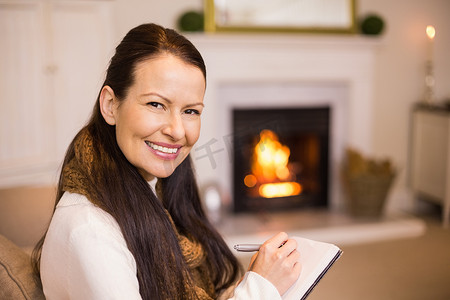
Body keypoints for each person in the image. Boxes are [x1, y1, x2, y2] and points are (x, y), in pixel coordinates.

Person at [32, 23, 302, 300]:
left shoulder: (155, 191)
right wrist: (260, 290)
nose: (177, 130)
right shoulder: (90, 231)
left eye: (190, 111)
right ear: (111, 105)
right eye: (156, 104)